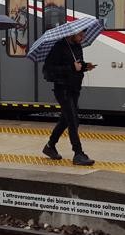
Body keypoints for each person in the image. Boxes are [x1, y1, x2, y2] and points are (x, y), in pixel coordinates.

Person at [41, 31, 96, 166]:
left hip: (74, 88)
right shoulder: (58, 47)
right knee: (73, 120)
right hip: (62, 88)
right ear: (73, 34)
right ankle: (78, 153)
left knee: (66, 119)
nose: (82, 38)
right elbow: (48, 70)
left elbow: (78, 64)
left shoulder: (77, 46)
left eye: (83, 36)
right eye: (80, 35)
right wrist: (71, 67)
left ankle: (50, 146)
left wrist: (84, 66)